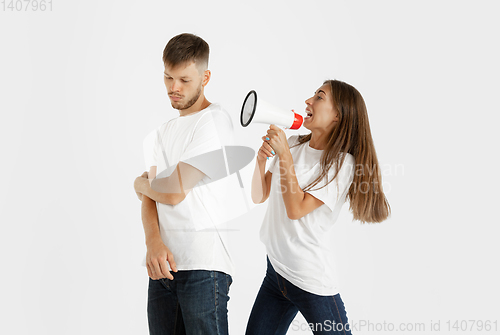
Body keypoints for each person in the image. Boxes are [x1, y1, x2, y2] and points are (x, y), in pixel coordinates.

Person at [246, 80, 391, 334]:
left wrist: (285, 156)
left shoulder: (342, 164)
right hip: (276, 273)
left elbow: (296, 209)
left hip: (309, 279)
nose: (308, 101)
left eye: (319, 97)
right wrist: (260, 161)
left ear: (338, 116)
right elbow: (260, 195)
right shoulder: (293, 144)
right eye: (313, 94)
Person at [133, 33, 235, 335]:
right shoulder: (163, 132)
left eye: (184, 80)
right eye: (168, 77)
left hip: (203, 268)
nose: (173, 88)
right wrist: (153, 242)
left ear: (205, 77)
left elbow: (174, 191)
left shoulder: (214, 121)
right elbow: (151, 198)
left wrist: (140, 185)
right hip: (162, 267)